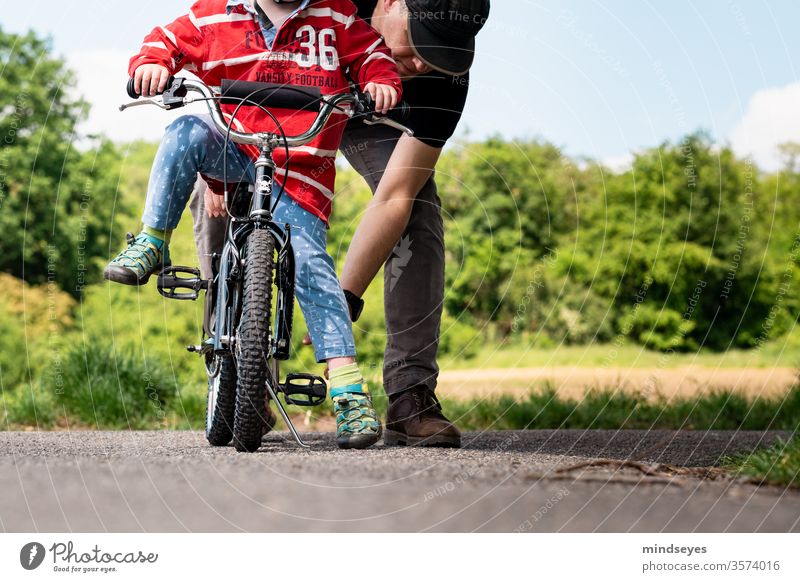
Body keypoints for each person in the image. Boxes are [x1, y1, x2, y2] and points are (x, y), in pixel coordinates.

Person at [104, 0, 403, 449]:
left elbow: (371, 53)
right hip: (235, 144)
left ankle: (346, 388)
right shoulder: (215, 13)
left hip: (300, 173)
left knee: (312, 267)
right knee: (184, 131)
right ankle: (152, 239)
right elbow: (167, 40)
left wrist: (379, 80)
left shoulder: (335, 15)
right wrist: (152, 65)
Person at [195, 0, 491, 448]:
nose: (419, 65)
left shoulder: (444, 74)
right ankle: (242, 374)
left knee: (420, 208)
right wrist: (214, 153)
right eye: (416, 48)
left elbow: (395, 197)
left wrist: (340, 300)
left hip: (371, 113)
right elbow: (223, 34)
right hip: (286, 86)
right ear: (390, 3)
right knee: (229, 192)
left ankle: (411, 395)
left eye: (436, 58)